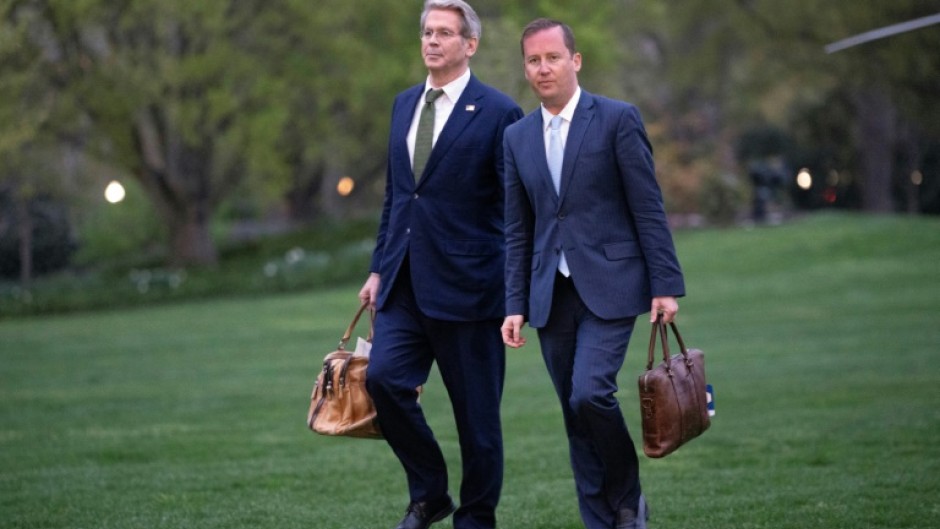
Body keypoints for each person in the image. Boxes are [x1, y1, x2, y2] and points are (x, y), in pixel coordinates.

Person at [500, 18, 685, 529]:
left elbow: (648, 207)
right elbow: (518, 228)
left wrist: (665, 284)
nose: (543, 68)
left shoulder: (617, 119)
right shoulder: (516, 138)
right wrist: (513, 303)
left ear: (574, 60)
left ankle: (628, 497)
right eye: (533, 60)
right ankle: (600, 519)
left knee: (590, 393)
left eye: (552, 58)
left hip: (612, 286)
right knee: (572, 412)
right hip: (548, 295)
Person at [358, 2, 523, 529]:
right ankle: (429, 493)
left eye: (445, 33)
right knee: (383, 381)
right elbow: (398, 196)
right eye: (427, 32)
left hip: (472, 289)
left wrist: (512, 288)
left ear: (470, 44)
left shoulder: (498, 112)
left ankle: (475, 518)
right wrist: (378, 268)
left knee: (477, 423)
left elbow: (514, 209)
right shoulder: (404, 104)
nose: (432, 41)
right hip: (404, 282)